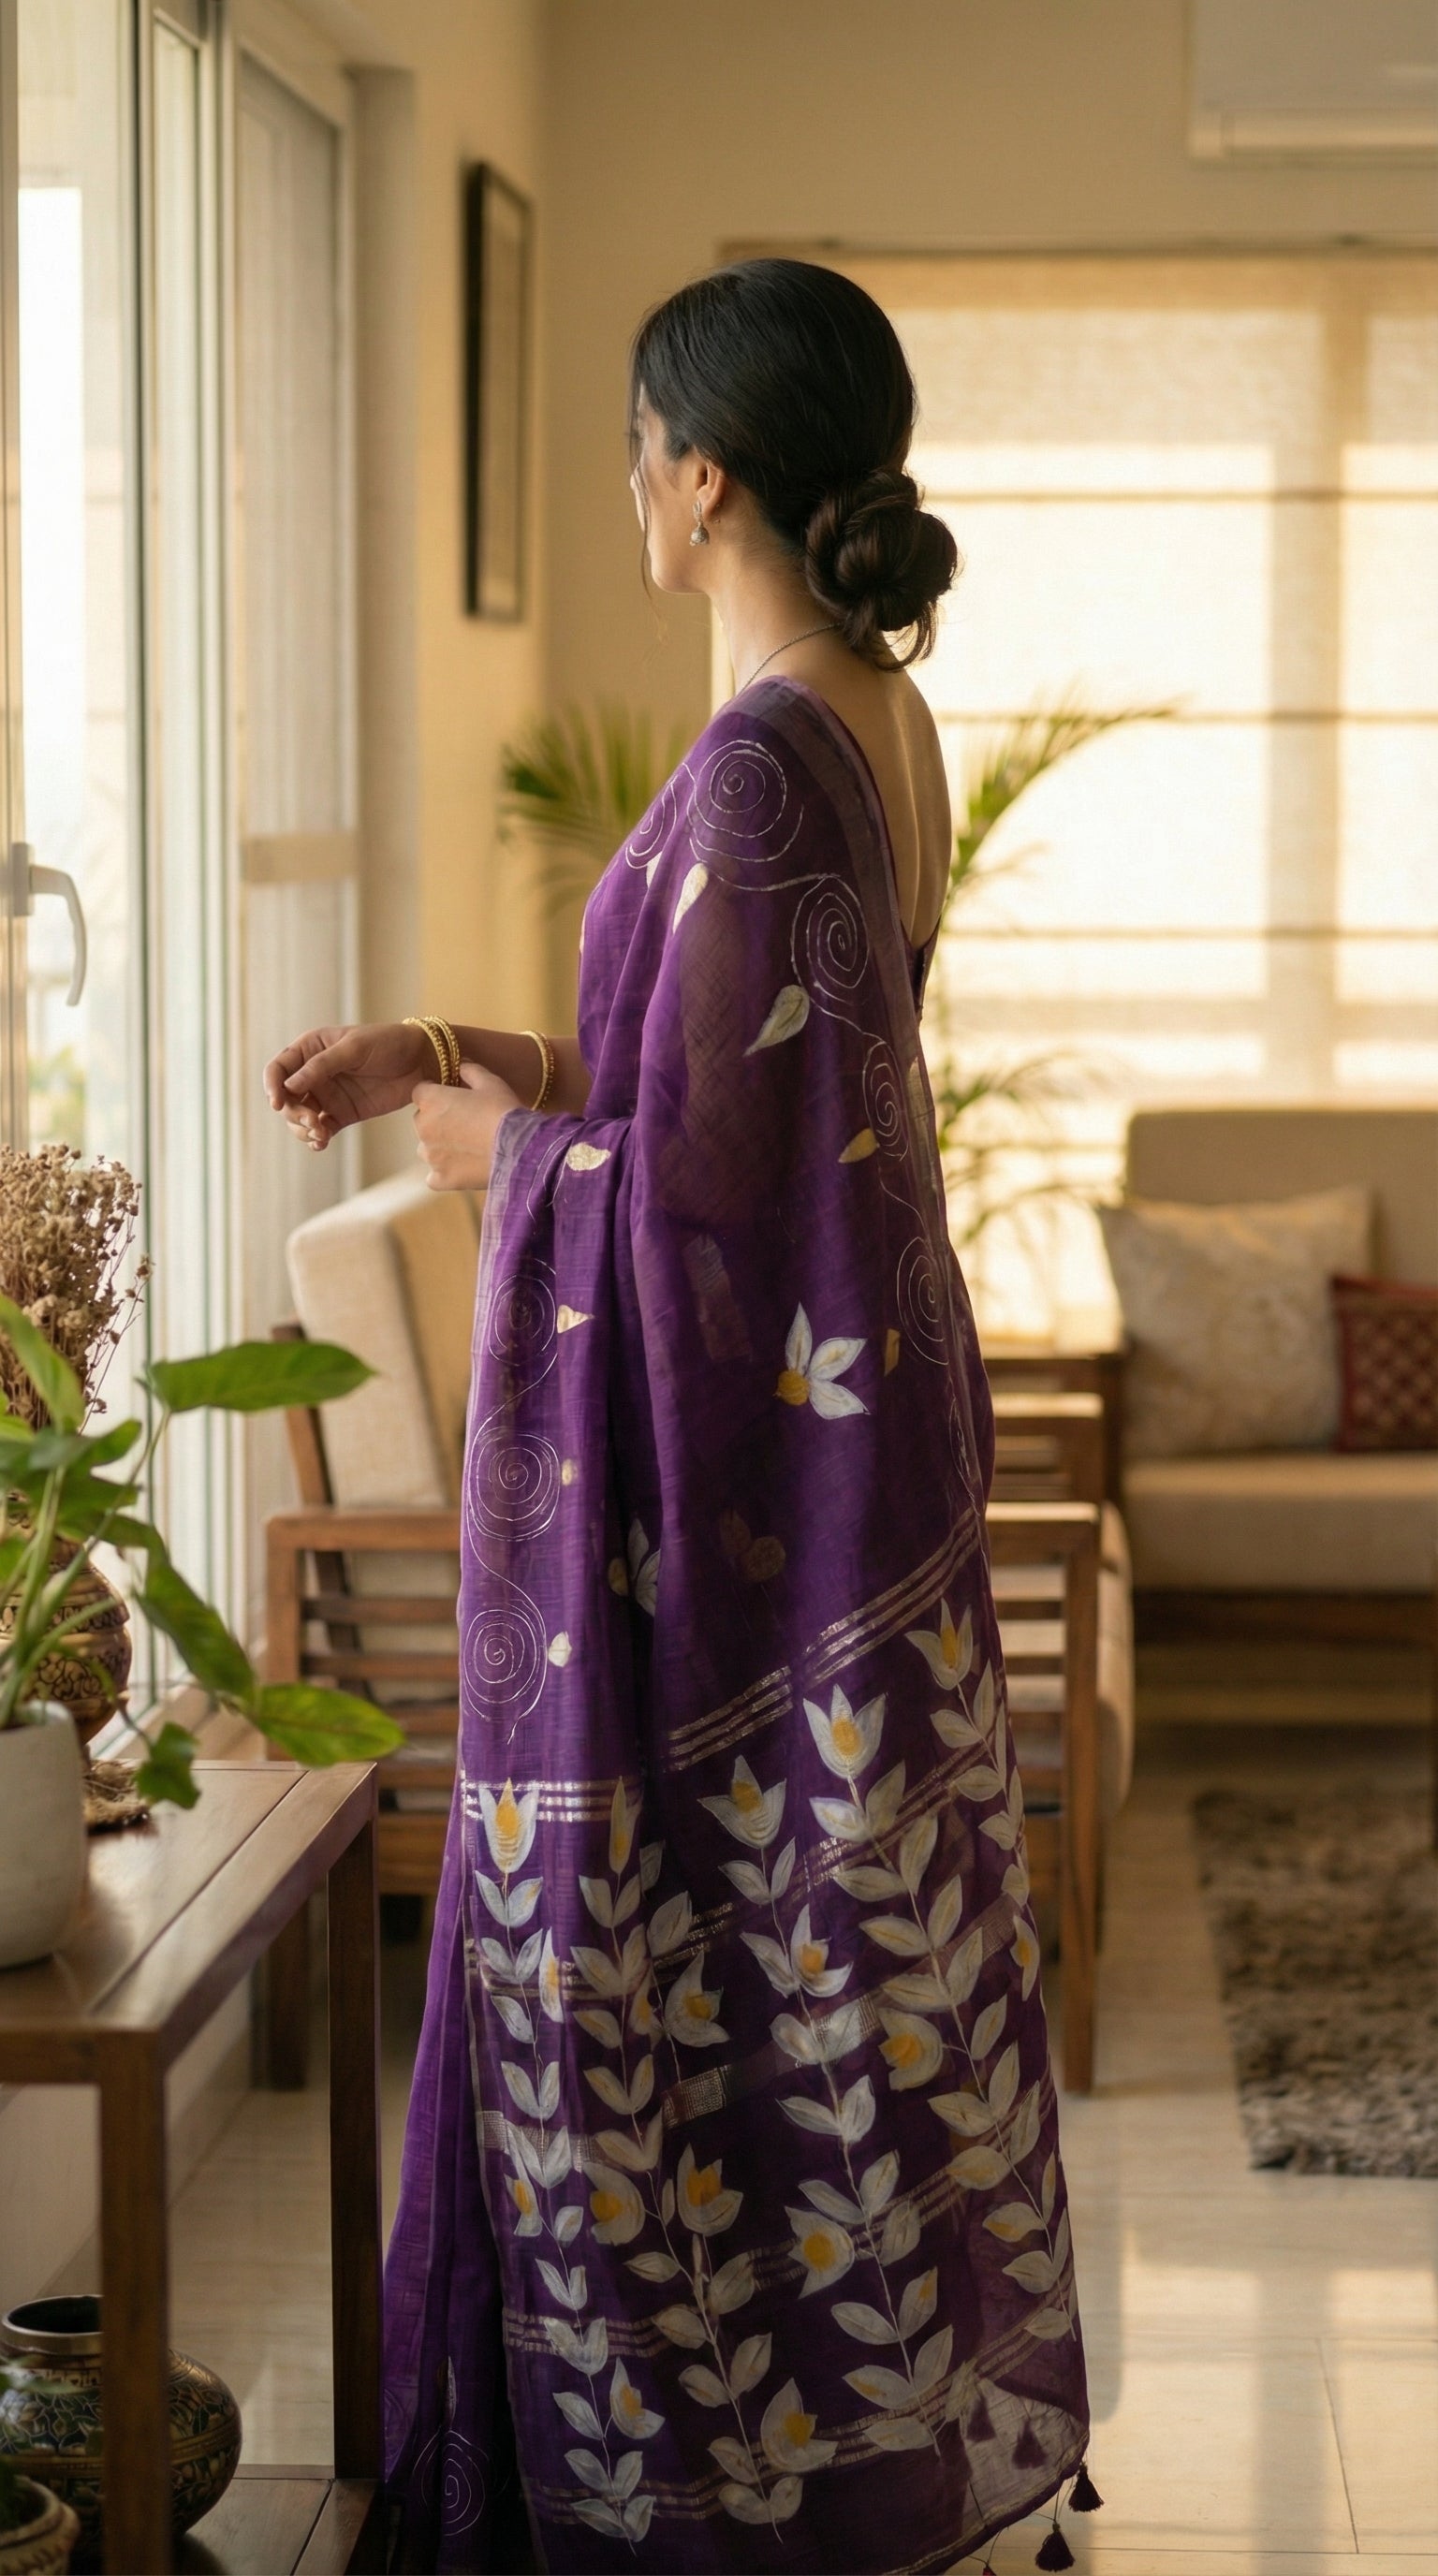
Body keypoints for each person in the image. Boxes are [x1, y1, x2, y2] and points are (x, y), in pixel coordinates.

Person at [266, 257, 1092, 2576]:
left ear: (698, 470)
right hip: (852, 1451)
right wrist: (454, 1057)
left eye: (637, 450)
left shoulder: (755, 756)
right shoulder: (869, 712)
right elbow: (681, 1085)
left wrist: (499, 1172)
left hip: (753, 1507)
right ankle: (833, 2453)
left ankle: (701, 2487)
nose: (627, 489)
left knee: (734, 1974)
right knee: (842, 1960)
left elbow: (700, 1192)